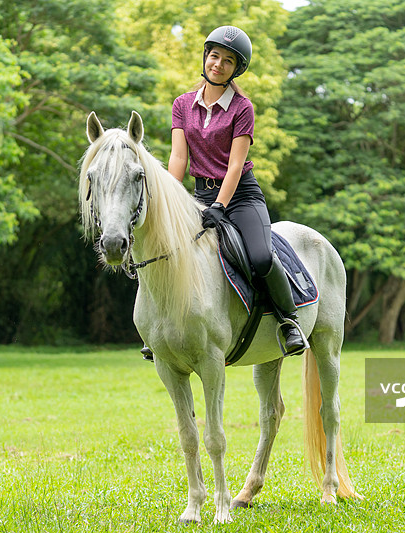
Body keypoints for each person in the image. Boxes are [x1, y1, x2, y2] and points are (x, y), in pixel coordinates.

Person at [141, 25, 308, 362]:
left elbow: (235, 166)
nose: (218, 64)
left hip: (241, 196)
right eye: (214, 56)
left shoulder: (242, 108)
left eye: (228, 60)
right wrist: (171, 200)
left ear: (236, 68)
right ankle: (157, 328)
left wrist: (220, 204)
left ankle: (288, 321)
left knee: (260, 257)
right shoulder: (183, 104)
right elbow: (178, 157)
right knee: (162, 250)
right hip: (198, 195)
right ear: (206, 58)